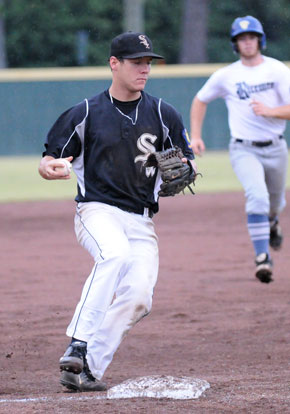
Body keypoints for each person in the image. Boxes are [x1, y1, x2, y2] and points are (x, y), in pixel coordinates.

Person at [38, 31, 194, 392]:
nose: (144, 69)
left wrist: (186, 167)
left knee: (140, 296)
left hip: (141, 219)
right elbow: (49, 160)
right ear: (114, 63)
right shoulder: (86, 112)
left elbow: (185, 160)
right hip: (96, 210)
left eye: (148, 63)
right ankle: (77, 341)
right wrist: (49, 169)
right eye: (136, 62)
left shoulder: (163, 113)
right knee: (114, 255)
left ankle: (86, 368)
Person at [190, 16, 290, 284]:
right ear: (236, 44)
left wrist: (271, 111)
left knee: (276, 202)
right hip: (243, 148)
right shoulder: (227, 75)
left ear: (260, 40)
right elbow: (200, 100)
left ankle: (272, 222)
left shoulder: (277, 70)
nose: (247, 42)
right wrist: (196, 136)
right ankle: (262, 258)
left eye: (251, 37)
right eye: (241, 39)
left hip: (277, 147)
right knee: (257, 196)